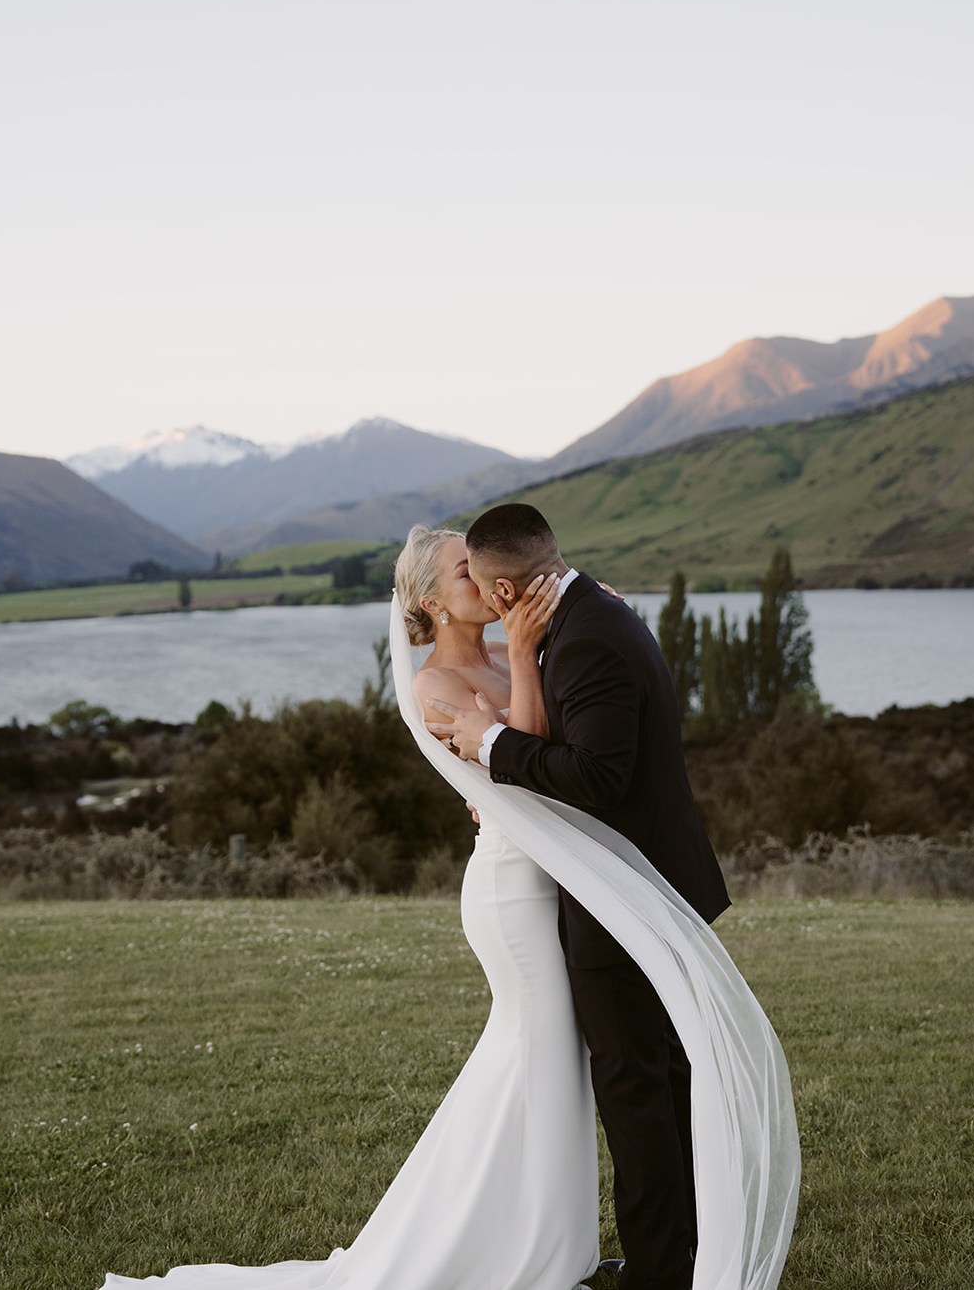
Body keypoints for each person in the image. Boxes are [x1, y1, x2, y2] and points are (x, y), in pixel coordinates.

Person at [97, 524, 602, 1290]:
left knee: (546, 1062)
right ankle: (497, 1250)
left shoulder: (512, 650)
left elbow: (567, 748)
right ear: (432, 602)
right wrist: (529, 658)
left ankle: (540, 1241)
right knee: (541, 1054)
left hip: (556, 881)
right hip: (511, 894)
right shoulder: (436, 685)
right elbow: (526, 763)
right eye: (470, 568)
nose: (491, 576)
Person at [423, 504, 737, 1290]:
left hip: (619, 893)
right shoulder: (593, 614)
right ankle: (680, 1250)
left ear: (501, 592)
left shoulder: (590, 635)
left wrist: (492, 746)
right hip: (603, 885)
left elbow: (598, 779)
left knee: (638, 1085)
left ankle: (662, 1272)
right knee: (653, 1076)